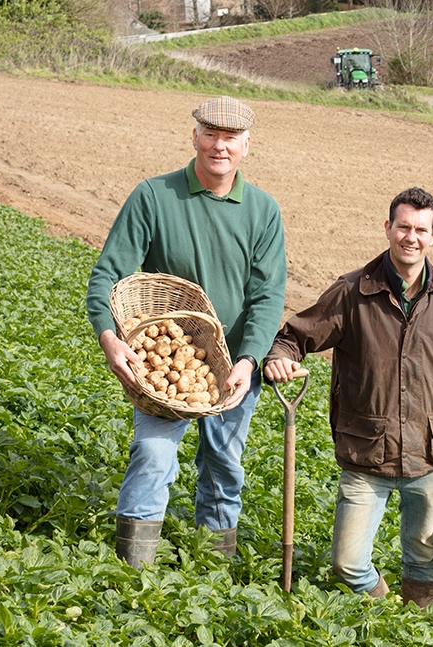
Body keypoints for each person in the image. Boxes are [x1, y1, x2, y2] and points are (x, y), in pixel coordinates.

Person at [86, 96, 287, 568]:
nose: (220, 146)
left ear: (247, 146)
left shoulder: (262, 211)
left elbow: (267, 295)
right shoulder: (154, 196)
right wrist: (109, 336)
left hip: (235, 365)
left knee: (224, 468)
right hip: (166, 361)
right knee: (153, 456)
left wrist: (249, 358)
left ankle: (209, 577)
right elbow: (106, 275)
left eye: (231, 138)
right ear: (194, 135)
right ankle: (133, 571)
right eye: (211, 134)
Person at [264, 187, 433, 608]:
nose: (411, 237)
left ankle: (418, 628)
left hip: (430, 450)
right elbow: (295, 335)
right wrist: (279, 358)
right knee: (348, 564)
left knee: (422, 559)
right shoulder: (352, 292)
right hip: (368, 450)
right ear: (388, 228)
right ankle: (386, 613)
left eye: (421, 229)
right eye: (403, 226)